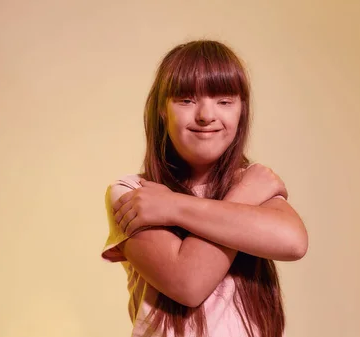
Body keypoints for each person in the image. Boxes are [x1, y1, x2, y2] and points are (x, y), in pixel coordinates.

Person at [100, 40, 309, 337]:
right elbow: (187, 283)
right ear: (162, 109)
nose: (206, 115)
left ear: (241, 111)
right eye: (186, 100)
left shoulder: (250, 185)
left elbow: (294, 242)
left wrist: (172, 207)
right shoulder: (134, 192)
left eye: (224, 102)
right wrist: (246, 195)